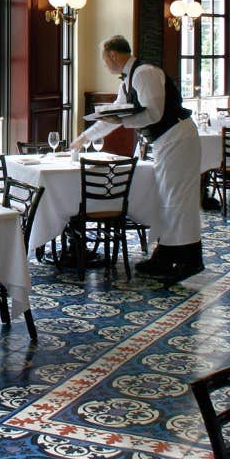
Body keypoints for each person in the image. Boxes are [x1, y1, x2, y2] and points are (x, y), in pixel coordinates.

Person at [70, 35, 203, 279]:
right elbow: (113, 117)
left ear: (112, 55)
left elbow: (153, 114)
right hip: (166, 140)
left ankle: (190, 259)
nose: (104, 64)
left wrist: (121, 120)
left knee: (178, 199)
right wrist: (85, 137)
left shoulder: (144, 73)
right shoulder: (127, 81)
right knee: (167, 197)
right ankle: (166, 254)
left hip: (177, 136)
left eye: (104, 58)